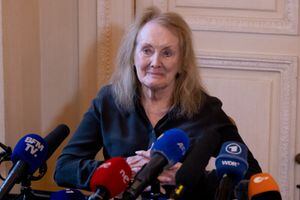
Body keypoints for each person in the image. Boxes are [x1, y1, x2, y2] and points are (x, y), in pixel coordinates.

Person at [54, 6, 261, 199]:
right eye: (147, 50)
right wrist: (120, 170)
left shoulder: (206, 109)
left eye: (167, 53)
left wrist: (190, 178)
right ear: (132, 57)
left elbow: (251, 178)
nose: (155, 62)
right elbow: (64, 168)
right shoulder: (108, 101)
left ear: (182, 63)